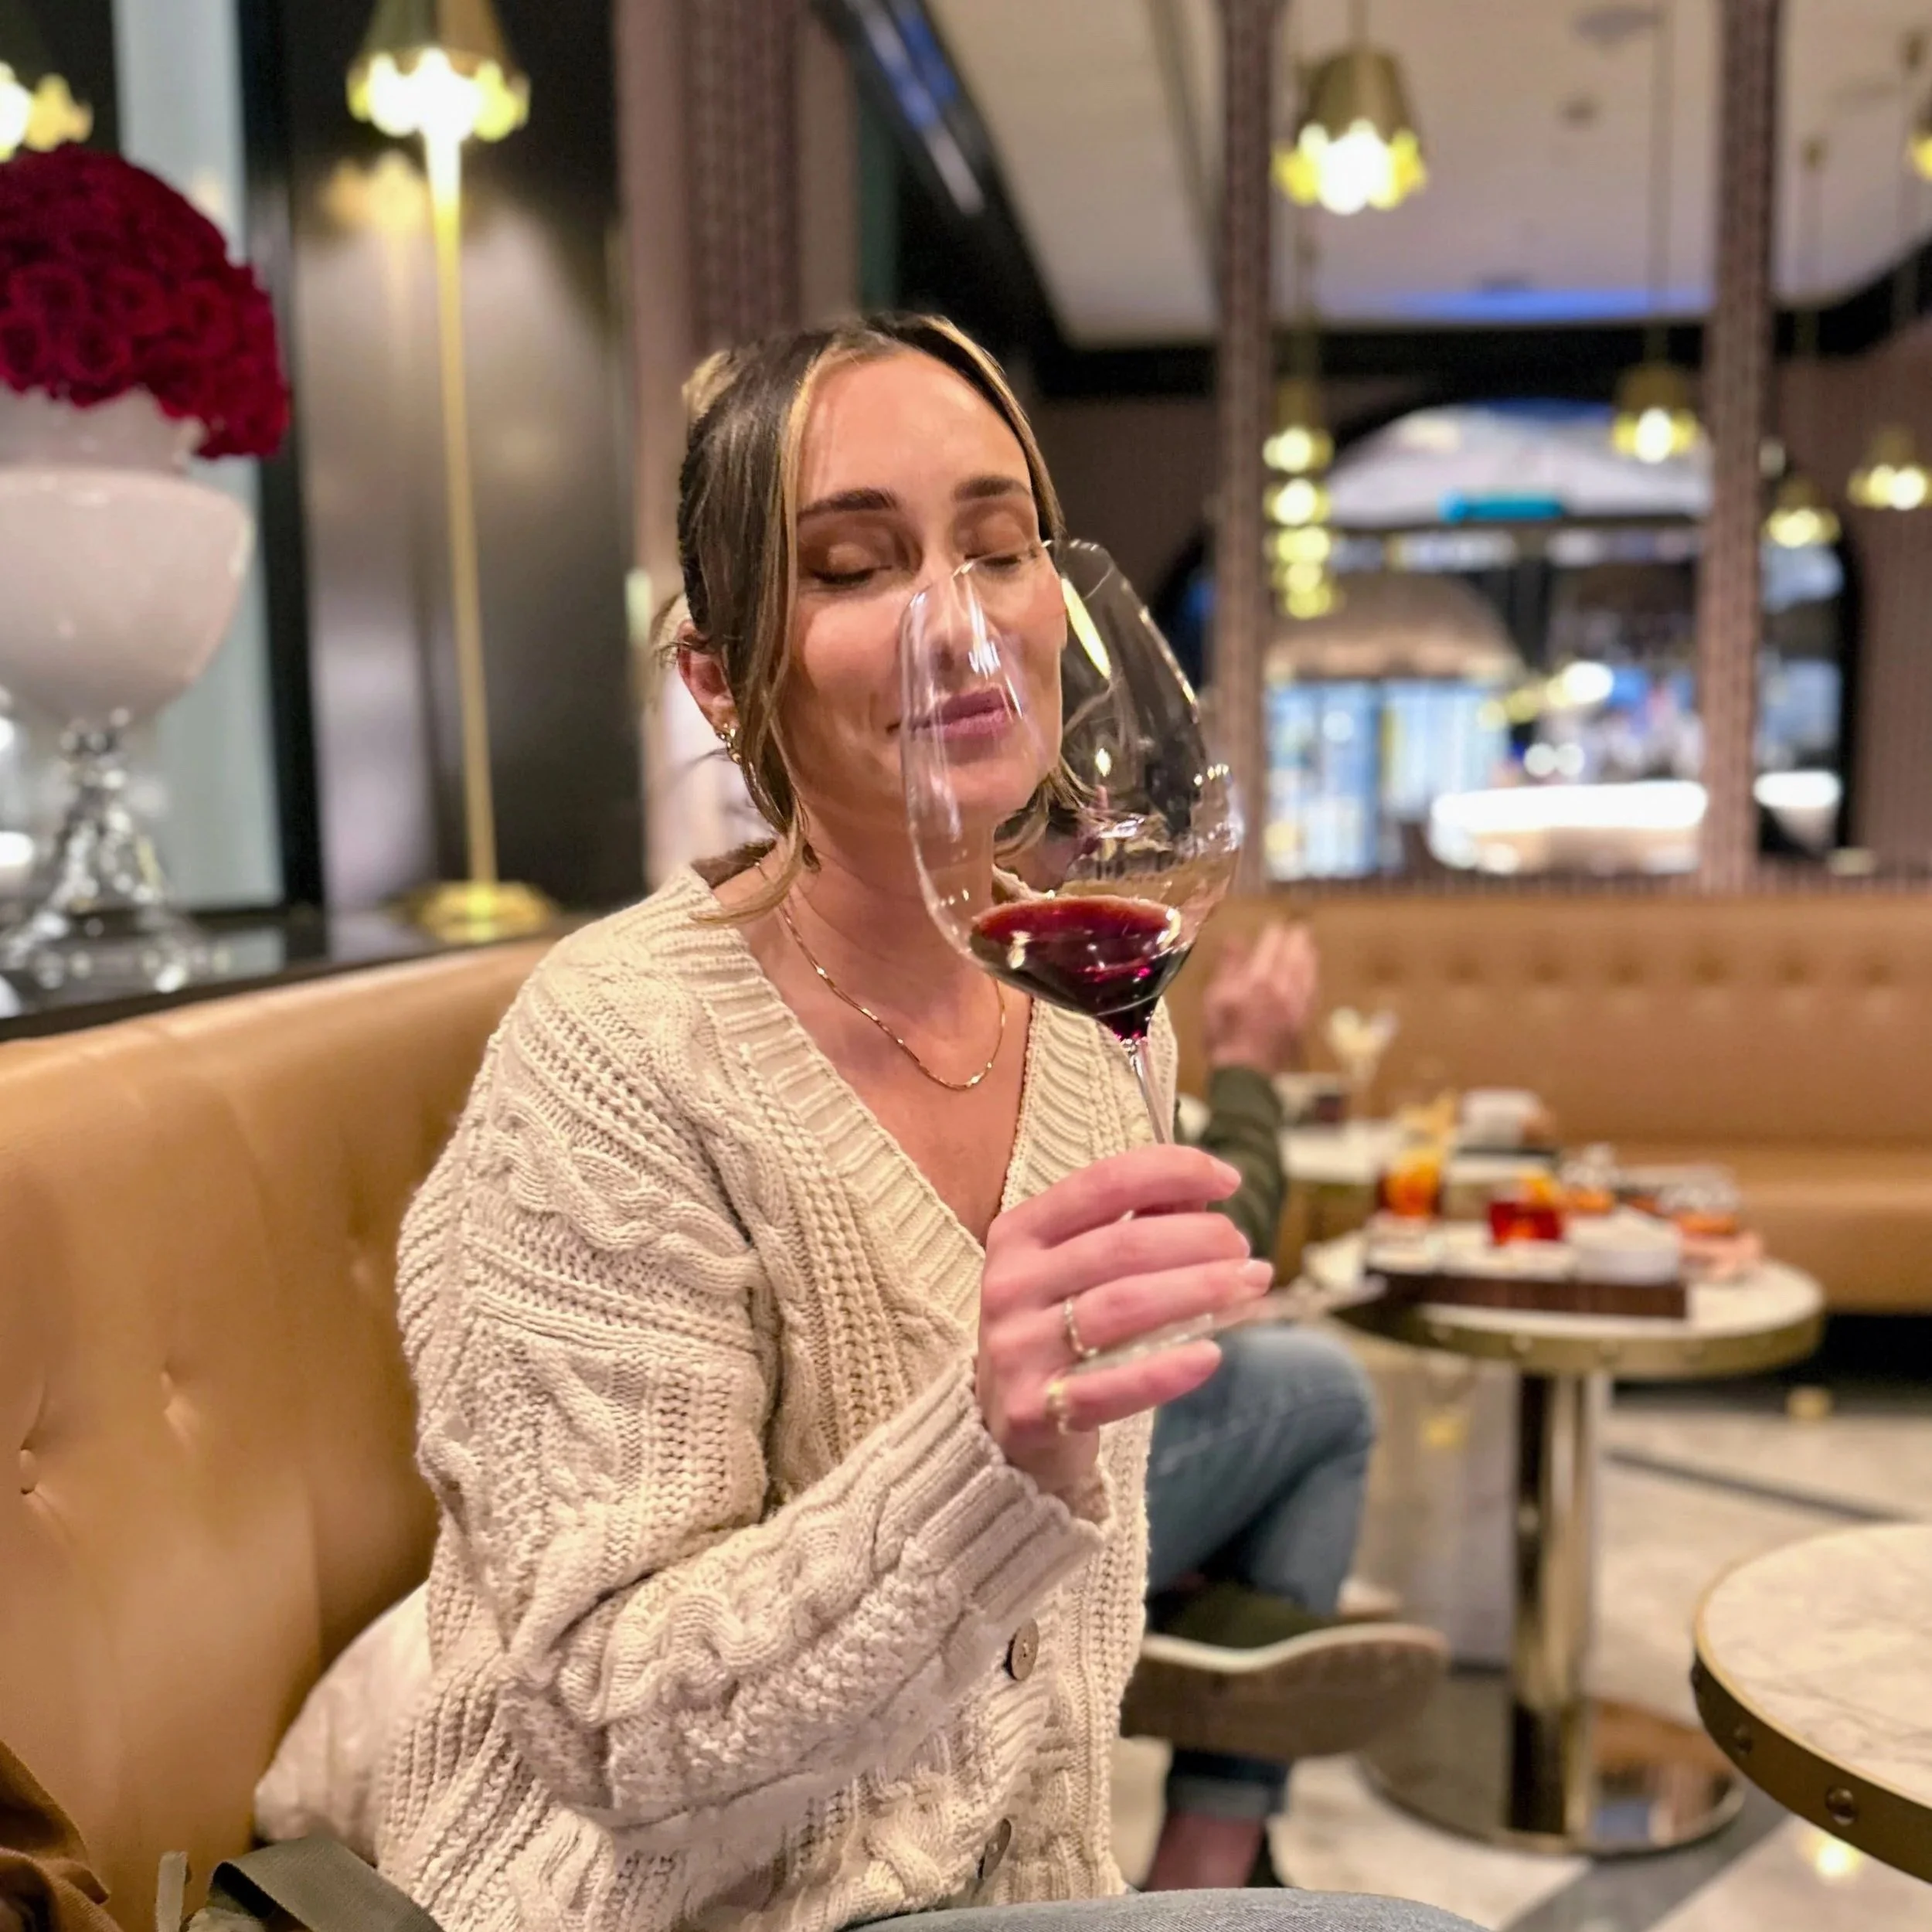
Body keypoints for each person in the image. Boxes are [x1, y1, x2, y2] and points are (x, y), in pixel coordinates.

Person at [376, 312, 1479, 1932]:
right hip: (692, 1895)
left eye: (998, 544)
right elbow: (609, 1719)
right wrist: (993, 1445)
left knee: (1303, 1385)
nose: (959, 624)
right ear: (716, 676)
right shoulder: (614, 1053)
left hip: (1006, 1839)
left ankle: (1205, 1841)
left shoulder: (1099, 1000)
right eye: (852, 565)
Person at [1134, 928, 1445, 1891]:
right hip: (991, 1485)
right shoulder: (1020, 979)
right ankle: (1217, 1840)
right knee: (1323, 1389)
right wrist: (1246, 1067)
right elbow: (1219, 1238)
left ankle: (1210, 1623)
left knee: (1249, 1360)